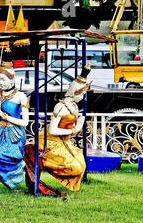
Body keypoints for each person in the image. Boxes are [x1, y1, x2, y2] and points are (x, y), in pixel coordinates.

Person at [23, 65, 92, 197]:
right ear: (75, 92)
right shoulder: (61, 107)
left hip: (65, 141)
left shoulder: (73, 106)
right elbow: (53, 130)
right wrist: (74, 130)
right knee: (75, 167)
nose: (83, 96)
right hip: (51, 141)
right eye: (82, 93)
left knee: (81, 165)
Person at [0, 61, 29, 189]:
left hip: (14, 133)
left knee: (3, 155)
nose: (0, 83)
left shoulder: (21, 96)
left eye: (3, 80)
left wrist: (5, 116)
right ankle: (8, 182)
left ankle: (20, 168)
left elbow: (25, 122)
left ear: (12, 80)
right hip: (1, 132)